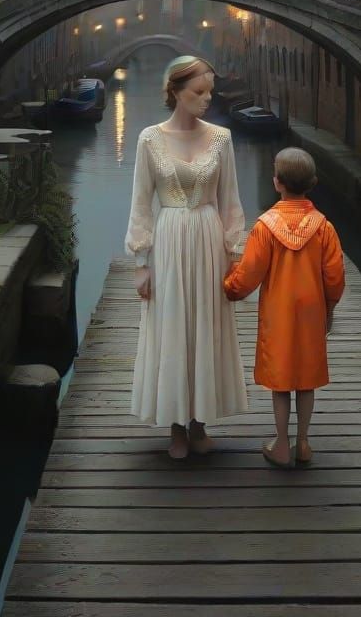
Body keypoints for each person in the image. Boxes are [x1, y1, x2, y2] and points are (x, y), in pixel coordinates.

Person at [125, 55, 248, 459]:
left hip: (209, 240)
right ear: (175, 92)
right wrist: (141, 263)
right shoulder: (148, 139)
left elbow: (230, 200)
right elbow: (141, 203)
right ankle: (176, 428)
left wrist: (235, 253)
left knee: (206, 327)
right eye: (199, 91)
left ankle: (199, 426)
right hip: (169, 239)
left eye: (210, 91)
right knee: (172, 326)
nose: (207, 98)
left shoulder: (222, 139)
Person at [224, 147, 345, 468]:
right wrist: (330, 306)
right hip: (312, 313)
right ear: (313, 183)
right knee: (305, 379)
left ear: (277, 182)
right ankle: (303, 442)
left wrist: (230, 287)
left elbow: (250, 273)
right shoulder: (323, 227)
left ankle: (281, 442)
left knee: (281, 380)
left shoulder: (265, 227)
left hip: (277, 314)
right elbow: (335, 275)